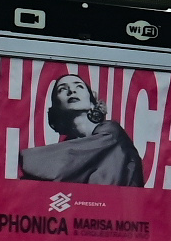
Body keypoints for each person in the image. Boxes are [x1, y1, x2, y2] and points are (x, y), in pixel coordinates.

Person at [17, 73, 147, 185]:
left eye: (79, 86)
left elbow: (66, 162)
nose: (72, 91)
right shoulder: (67, 146)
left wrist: (21, 160)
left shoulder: (111, 133)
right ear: (57, 107)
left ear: (92, 103)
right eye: (62, 89)